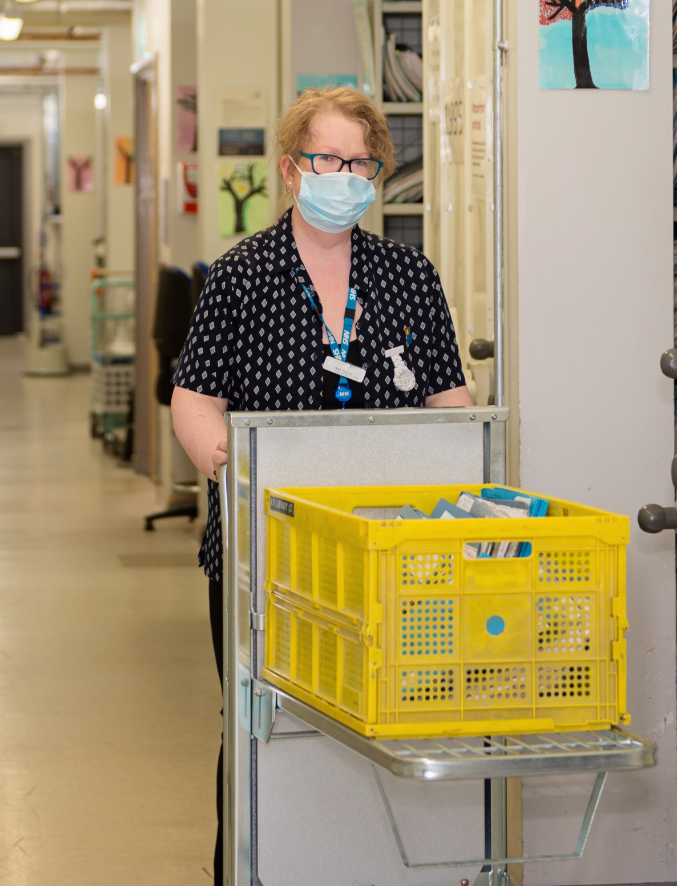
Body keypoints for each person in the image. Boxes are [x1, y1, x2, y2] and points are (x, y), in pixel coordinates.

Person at [168, 86, 473, 881]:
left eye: (359, 161)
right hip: (264, 551)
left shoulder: (408, 277)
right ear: (290, 169)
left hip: (391, 546)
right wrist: (225, 467)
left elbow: (450, 400)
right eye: (327, 158)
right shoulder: (241, 276)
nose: (344, 173)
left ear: (376, 173)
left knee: (384, 721)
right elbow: (195, 399)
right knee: (259, 726)